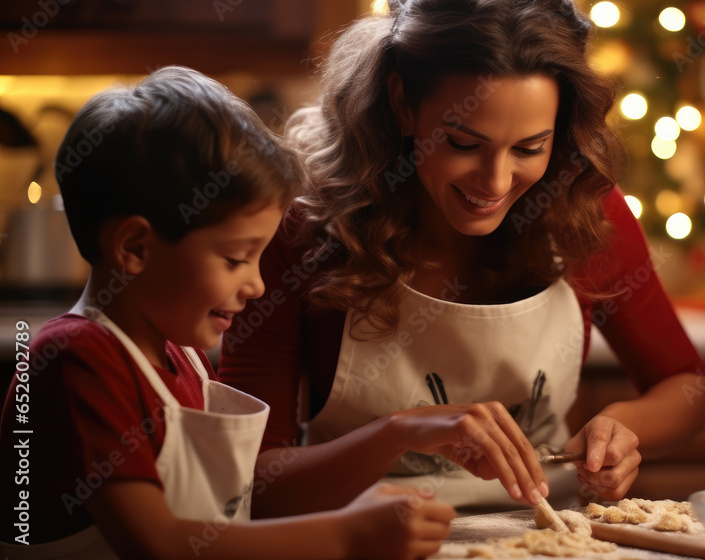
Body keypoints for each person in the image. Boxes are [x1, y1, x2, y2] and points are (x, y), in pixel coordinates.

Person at [219, 0, 705, 513]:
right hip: (362, 538)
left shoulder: (583, 211)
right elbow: (250, 479)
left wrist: (624, 428)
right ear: (403, 104)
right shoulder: (301, 230)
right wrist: (399, 432)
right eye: (462, 142)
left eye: (529, 148)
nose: (495, 183)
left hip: (547, 535)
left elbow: (687, 388)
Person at [0, 66, 454, 560]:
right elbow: (160, 543)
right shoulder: (79, 358)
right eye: (236, 258)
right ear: (134, 247)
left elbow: (229, 523)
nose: (257, 284)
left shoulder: (184, 359)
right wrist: (345, 535)